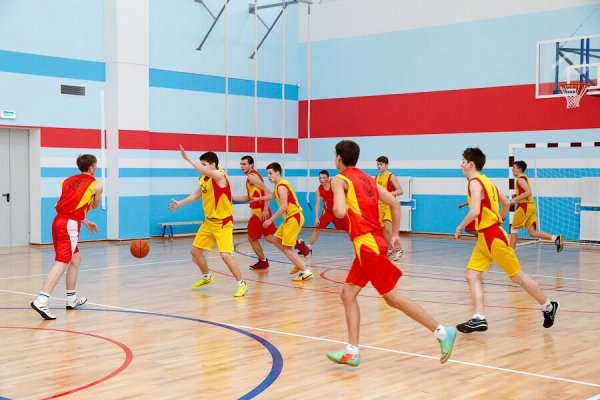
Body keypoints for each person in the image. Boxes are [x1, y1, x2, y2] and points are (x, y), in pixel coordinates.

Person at [326, 140, 456, 366]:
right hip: (373, 242)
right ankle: (352, 351)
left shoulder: (338, 180)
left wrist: (343, 204)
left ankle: (442, 332)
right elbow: (395, 204)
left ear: (338, 157)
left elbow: (338, 211)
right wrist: (394, 234)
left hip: (367, 245)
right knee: (347, 294)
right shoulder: (369, 179)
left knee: (392, 297)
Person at [455, 148, 559, 333]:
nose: (461, 164)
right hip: (485, 238)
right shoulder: (488, 182)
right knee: (471, 275)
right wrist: (500, 219)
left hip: (493, 237)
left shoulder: (474, 183)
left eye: (463, 161)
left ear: (470, 164)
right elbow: (506, 203)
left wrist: (460, 227)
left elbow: (475, 210)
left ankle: (548, 306)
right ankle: (478, 318)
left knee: (516, 276)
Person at [31, 154, 103, 320]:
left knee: (76, 259)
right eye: (96, 165)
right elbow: (93, 206)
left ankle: (71, 299)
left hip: (59, 221)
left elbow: (65, 205)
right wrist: (95, 200)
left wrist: (84, 220)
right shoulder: (97, 185)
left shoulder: (67, 181)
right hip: (69, 225)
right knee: (62, 262)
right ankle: (41, 300)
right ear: (92, 167)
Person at [169, 146, 248, 297]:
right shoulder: (204, 179)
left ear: (213, 164)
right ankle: (207, 277)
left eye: (204, 164)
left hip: (223, 223)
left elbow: (205, 171)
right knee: (195, 251)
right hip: (208, 222)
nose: (202, 167)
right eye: (201, 164)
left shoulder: (220, 176)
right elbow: (195, 195)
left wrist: (187, 158)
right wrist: (180, 203)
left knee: (225, 256)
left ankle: (242, 284)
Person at [254, 162, 314, 282]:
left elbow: (284, 206)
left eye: (270, 173)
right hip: (289, 218)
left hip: (294, 217)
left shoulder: (281, 186)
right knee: (276, 240)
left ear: (277, 173)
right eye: (267, 174)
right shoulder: (279, 185)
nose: (268, 176)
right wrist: (260, 198)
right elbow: (273, 196)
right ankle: (297, 262)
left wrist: (270, 220)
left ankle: (306, 271)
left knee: (286, 247)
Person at [232, 155, 277, 270]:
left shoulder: (251, 176)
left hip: (259, 211)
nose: (242, 166)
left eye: (244, 164)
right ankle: (298, 244)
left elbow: (267, 191)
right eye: (241, 164)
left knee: (252, 237)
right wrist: (231, 197)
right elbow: (250, 197)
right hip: (260, 210)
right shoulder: (251, 177)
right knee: (270, 238)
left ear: (251, 165)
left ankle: (263, 261)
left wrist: (265, 209)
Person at [509, 160, 564, 251]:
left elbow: (528, 192)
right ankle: (556, 238)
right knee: (532, 232)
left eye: (514, 167)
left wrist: (515, 199)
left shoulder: (520, 179)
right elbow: (526, 193)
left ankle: (510, 253)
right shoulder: (523, 178)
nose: (512, 169)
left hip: (524, 207)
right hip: (530, 207)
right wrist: (517, 196)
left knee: (513, 229)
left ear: (520, 169)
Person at [297, 170, 349, 255]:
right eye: (320, 178)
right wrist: (316, 218)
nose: (321, 179)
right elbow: (317, 204)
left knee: (349, 230)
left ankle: (358, 246)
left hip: (338, 210)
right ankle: (308, 248)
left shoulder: (334, 185)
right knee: (317, 228)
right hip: (327, 212)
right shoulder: (319, 190)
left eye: (324, 178)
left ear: (328, 178)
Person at [375, 156, 404, 261]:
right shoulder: (376, 177)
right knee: (383, 230)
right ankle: (390, 249)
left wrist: (389, 194)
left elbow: (400, 191)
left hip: (389, 206)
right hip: (380, 206)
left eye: (381, 164)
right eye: (378, 164)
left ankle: (399, 250)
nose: (379, 166)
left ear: (386, 165)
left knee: (389, 229)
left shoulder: (391, 176)